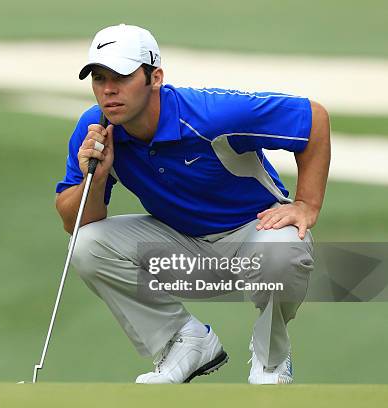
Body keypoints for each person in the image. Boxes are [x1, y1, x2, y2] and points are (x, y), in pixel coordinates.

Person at [55, 24, 330, 384]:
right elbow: (76, 220)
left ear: (155, 77)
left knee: (284, 249)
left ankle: (271, 358)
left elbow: (314, 118)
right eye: (99, 77)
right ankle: (184, 342)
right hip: (181, 249)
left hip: (254, 237)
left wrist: (306, 204)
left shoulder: (212, 115)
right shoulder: (96, 129)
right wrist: (99, 175)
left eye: (121, 76)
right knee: (86, 244)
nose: (108, 89)